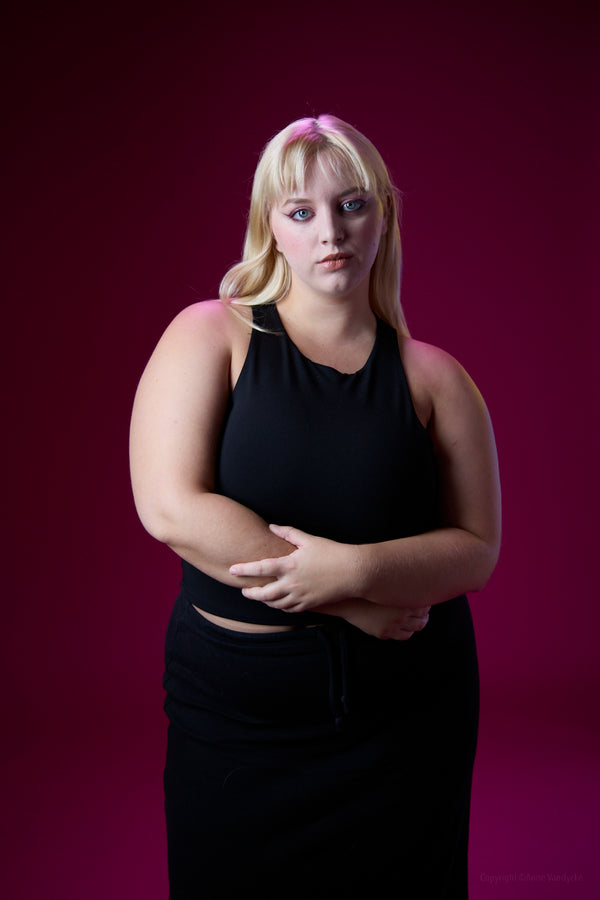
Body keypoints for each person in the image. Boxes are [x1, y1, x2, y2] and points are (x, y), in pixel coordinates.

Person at [129, 114, 501, 899]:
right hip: (239, 725)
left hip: (405, 722)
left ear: (385, 217)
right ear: (273, 227)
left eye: (353, 204)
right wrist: (350, 600)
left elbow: (476, 548)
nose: (330, 230)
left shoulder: (438, 380)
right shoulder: (210, 336)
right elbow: (169, 507)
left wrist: (357, 570)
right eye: (301, 212)